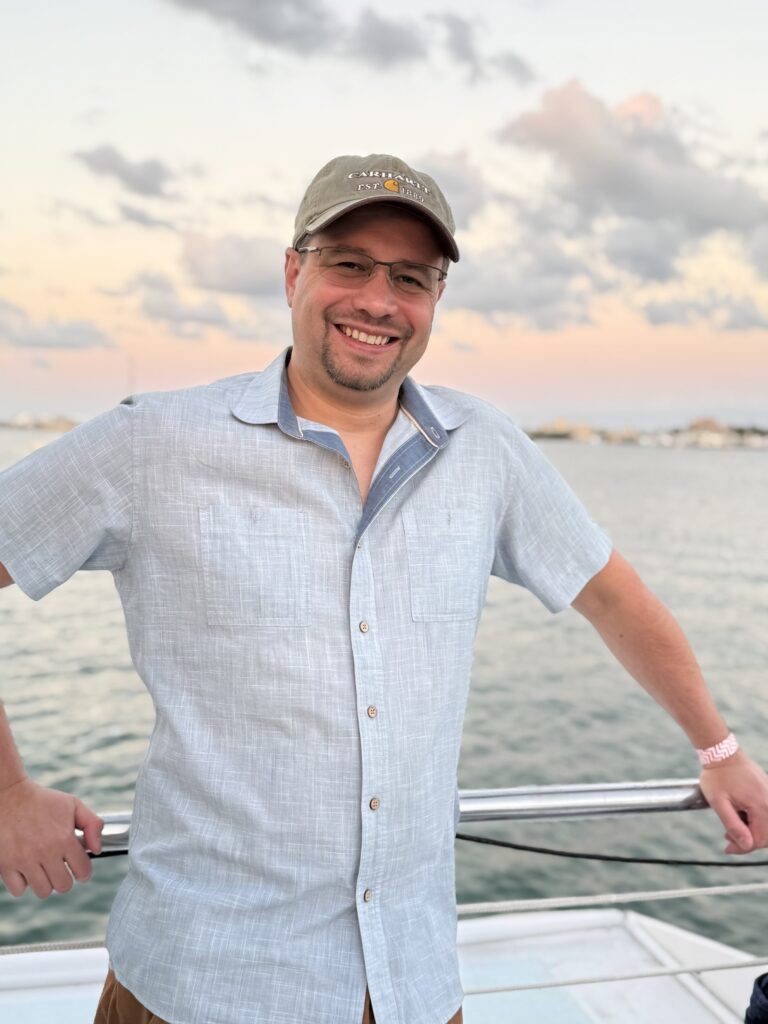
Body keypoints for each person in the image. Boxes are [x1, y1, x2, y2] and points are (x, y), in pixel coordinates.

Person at [0, 153, 766, 1024]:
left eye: (410, 277)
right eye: (350, 264)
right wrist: (7, 794)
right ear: (294, 272)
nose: (378, 300)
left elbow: (614, 596)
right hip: (204, 985)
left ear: (435, 299)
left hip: (408, 988)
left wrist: (719, 751)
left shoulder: (485, 448)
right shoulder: (154, 444)